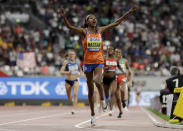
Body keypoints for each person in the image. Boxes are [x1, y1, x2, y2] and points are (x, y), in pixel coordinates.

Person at [60, 6, 136, 126]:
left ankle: (102, 100)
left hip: (99, 61)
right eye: (90, 18)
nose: (93, 19)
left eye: (94, 18)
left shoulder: (100, 30)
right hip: (87, 63)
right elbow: (69, 27)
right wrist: (64, 17)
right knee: (90, 90)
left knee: (97, 79)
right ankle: (93, 115)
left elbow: (116, 23)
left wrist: (129, 12)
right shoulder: (84, 32)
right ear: (87, 22)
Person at [103, 45, 124, 118]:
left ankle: (111, 109)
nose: (110, 51)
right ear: (107, 51)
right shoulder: (104, 58)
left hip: (113, 78)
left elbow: (119, 67)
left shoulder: (116, 59)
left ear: (113, 51)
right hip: (105, 78)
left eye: (111, 50)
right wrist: (105, 67)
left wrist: (123, 73)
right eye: (108, 50)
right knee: (106, 95)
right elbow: (100, 67)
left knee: (113, 92)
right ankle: (106, 101)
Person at [60, 50, 83, 115]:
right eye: (70, 54)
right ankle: (71, 99)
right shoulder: (66, 62)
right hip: (68, 81)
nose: (71, 56)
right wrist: (67, 72)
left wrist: (81, 74)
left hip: (75, 80)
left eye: (72, 54)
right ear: (68, 56)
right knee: (69, 97)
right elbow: (61, 71)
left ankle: (74, 109)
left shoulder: (77, 62)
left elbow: (80, 70)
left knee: (75, 94)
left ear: (75, 55)